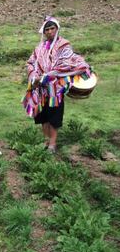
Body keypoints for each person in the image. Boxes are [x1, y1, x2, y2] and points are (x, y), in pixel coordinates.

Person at [22, 16, 91, 153]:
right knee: (42, 116)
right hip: (40, 89)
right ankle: (46, 141)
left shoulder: (64, 45)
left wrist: (49, 75)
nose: (49, 32)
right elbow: (30, 63)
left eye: (52, 28)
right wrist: (35, 76)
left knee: (54, 116)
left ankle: (53, 144)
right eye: (46, 29)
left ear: (57, 29)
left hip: (55, 89)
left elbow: (66, 63)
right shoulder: (39, 48)